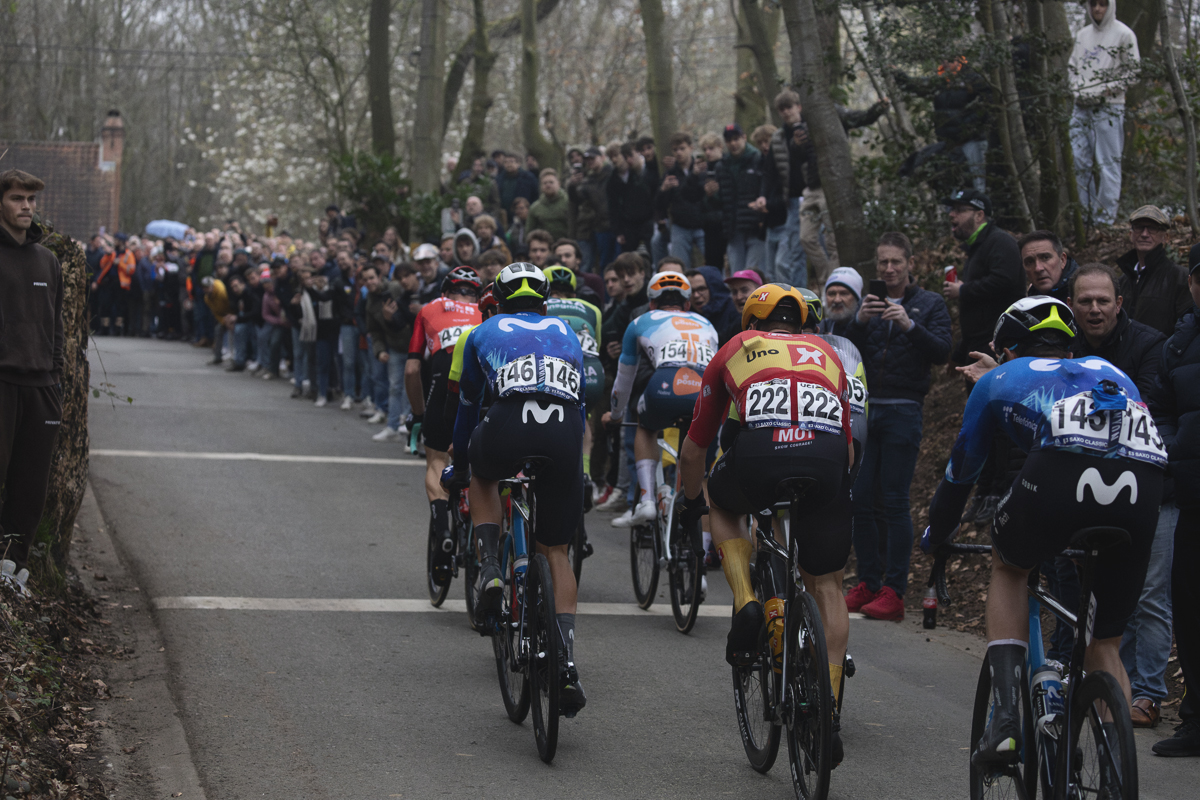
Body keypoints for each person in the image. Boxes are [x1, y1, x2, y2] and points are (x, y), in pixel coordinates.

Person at [925, 296, 1165, 769]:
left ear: (1006, 348)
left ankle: (1008, 720)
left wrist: (936, 536)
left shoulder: (997, 379)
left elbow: (960, 476)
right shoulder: (1113, 371)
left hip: (1059, 477)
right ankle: (1116, 767)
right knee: (1105, 644)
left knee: (1010, 565)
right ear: (1070, 347)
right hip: (1145, 484)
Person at [678, 284, 855, 764]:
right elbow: (849, 442)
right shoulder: (828, 352)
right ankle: (828, 709)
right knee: (828, 585)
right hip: (827, 462)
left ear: (751, 322)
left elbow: (696, 446)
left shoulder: (736, 348)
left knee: (724, 502)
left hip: (760, 456)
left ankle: (746, 602)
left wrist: (693, 501)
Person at [442, 263, 589, 714]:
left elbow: (467, 409)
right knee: (558, 551)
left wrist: (461, 466)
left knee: (485, 475)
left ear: (498, 301)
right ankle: (564, 661)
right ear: (544, 303)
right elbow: (580, 405)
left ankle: (489, 566)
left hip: (508, 422)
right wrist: (577, 470)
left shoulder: (481, 332)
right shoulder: (566, 330)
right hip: (564, 432)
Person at [1061, 261, 1171, 728]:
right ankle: (1086, 681)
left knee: (1146, 592)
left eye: (1103, 300)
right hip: (1078, 485)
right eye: (1084, 301)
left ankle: (1146, 692)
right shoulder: (1062, 346)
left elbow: (1146, 409)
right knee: (1077, 589)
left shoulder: (1149, 344)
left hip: (1145, 483)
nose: (1094, 309)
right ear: (1072, 305)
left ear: (1119, 303)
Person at [843, 232, 952, 621]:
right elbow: (841, 346)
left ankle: (895, 589)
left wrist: (909, 325)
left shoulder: (929, 303)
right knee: (860, 498)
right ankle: (868, 582)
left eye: (896, 263)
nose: (889, 270)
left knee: (893, 500)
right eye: (883, 263)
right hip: (865, 407)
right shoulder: (866, 305)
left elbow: (942, 352)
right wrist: (859, 319)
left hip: (905, 408)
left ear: (910, 263)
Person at [606, 272, 718, 524]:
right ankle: (701, 540)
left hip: (665, 385)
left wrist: (614, 415)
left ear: (652, 303)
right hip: (705, 392)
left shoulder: (640, 321)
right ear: (687, 304)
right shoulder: (707, 324)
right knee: (701, 467)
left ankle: (646, 500)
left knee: (645, 426)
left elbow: (624, 380)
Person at [0, 170, 63, 597]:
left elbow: (56, 326)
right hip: (2, 381)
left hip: (41, 387)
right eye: (18, 199)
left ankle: (12, 569)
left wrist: (55, 379)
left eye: (32, 200)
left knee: (30, 485)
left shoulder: (48, 260)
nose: (27, 206)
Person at [1148, 249, 1200, 756]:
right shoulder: (1179, 342)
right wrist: (1171, 447)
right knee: (1187, 606)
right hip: (1190, 492)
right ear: (1191, 283)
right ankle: (1195, 721)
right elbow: (1159, 407)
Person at [406, 267, 482, 584]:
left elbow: (412, 370)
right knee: (481, 465)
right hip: (477, 387)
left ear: (445, 292)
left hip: (441, 381)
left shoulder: (429, 309)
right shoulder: (485, 311)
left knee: (437, 459)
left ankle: (442, 529)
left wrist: (419, 413)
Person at [1069, 0, 1140, 225]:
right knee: (1079, 161)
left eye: (1102, 4)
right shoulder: (1082, 35)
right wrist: (1077, 88)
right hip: (1080, 106)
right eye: (1093, 4)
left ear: (1110, 6)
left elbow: (1133, 72)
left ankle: (1104, 220)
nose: (1097, 9)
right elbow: (1072, 67)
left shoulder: (1124, 34)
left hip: (1108, 106)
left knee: (1108, 163)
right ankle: (1085, 217)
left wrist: (1107, 90)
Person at [941, 189, 1025, 366]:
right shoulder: (977, 247)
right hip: (978, 345)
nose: (952, 215)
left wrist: (963, 290)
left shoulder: (999, 241)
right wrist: (961, 351)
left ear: (979, 215)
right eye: (951, 210)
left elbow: (1004, 281)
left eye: (959, 210)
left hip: (999, 345)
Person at [894, 56, 992, 194]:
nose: (944, 63)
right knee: (950, 182)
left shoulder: (973, 78)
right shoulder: (941, 82)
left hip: (972, 141)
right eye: (942, 60)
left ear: (958, 60)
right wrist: (898, 75)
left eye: (948, 60)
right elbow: (918, 85)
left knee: (977, 185)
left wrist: (968, 126)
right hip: (949, 143)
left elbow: (987, 106)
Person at [1115, 205, 1191, 336]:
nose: (1145, 234)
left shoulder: (1180, 278)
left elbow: (1188, 329)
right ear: (1131, 235)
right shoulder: (1121, 281)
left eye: (1152, 228)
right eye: (1139, 227)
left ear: (1166, 237)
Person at [364, 263, 414, 441]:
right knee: (395, 387)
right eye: (365, 279)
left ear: (380, 277)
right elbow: (374, 331)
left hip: (413, 346)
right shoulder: (370, 302)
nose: (369, 282)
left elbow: (410, 309)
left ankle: (409, 428)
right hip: (394, 348)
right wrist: (379, 351)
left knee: (413, 388)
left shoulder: (396, 288)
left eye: (372, 277)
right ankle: (392, 426)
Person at [655, 132, 718, 269]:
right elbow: (660, 204)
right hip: (680, 226)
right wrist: (663, 190)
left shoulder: (702, 169)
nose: (679, 153)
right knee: (679, 267)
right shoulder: (670, 173)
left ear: (691, 148)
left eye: (682, 148)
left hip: (702, 224)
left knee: (713, 262)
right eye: (675, 150)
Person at [714, 123, 767, 273]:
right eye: (729, 140)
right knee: (737, 274)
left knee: (754, 273)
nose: (733, 143)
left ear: (744, 138)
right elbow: (720, 201)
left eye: (736, 139)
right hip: (733, 229)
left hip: (755, 227)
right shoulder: (721, 166)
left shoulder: (758, 159)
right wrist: (712, 195)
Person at [567, 146, 615, 273]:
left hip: (611, 226)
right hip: (594, 228)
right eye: (587, 159)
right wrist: (573, 185)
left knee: (611, 263)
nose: (590, 162)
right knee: (595, 264)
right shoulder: (588, 180)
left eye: (593, 158)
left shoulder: (612, 175)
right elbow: (577, 200)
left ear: (602, 158)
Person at [607, 141, 655, 255]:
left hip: (647, 222)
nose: (614, 160)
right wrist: (618, 231)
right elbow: (612, 207)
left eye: (616, 155)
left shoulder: (639, 174)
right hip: (628, 226)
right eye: (611, 157)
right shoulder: (612, 181)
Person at [1018, 230, 1078, 303]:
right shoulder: (1033, 293)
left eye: (1045, 258)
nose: (1038, 268)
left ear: (1062, 260)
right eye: (1030, 262)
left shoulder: (1083, 292)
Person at [687, 266, 740, 345]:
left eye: (701, 289)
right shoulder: (686, 316)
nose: (696, 295)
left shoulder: (734, 312)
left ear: (714, 288)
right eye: (691, 291)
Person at [527, 169, 571, 241]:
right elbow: (529, 232)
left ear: (558, 184)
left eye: (551, 182)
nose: (548, 185)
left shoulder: (569, 202)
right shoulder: (535, 208)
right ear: (541, 186)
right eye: (545, 183)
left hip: (567, 244)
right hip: (544, 246)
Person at [819, 267, 863, 337]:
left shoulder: (869, 327)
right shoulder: (820, 329)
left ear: (856, 298)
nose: (837, 300)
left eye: (844, 293)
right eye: (832, 294)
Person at [495, 152, 539, 220]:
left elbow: (535, 195)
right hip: (504, 215)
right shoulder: (499, 178)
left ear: (518, 164)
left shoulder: (528, 178)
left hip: (522, 214)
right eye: (506, 162)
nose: (508, 164)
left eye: (511, 162)